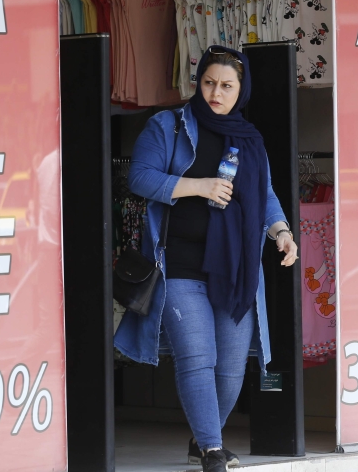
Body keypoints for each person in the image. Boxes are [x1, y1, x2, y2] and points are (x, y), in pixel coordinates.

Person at [114, 46, 298, 472]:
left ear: (241, 89)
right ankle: (213, 451)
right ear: (199, 83)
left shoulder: (250, 140)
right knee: (197, 357)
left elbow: (264, 195)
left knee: (232, 368)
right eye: (209, 82)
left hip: (235, 270)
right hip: (178, 265)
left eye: (227, 85)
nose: (216, 92)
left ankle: (201, 439)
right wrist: (199, 187)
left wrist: (282, 233)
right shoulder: (168, 126)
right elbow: (139, 178)